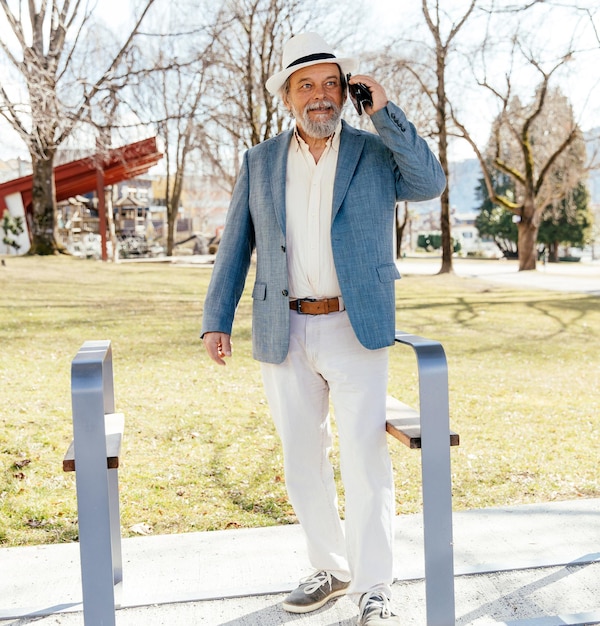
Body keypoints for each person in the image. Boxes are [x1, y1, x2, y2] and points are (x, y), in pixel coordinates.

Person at [201, 32, 445, 626]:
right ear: (287, 96)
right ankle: (331, 567)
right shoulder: (260, 162)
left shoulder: (374, 151)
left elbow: (431, 182)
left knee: (366, 458)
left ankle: (374, 587)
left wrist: (384, 110)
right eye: (306, 85)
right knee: (302, 457)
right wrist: (216, 318)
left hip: (354, 324)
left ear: (345, 91)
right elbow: (236, 243)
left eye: (331, 84)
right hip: (283, 328)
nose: (320, 96)